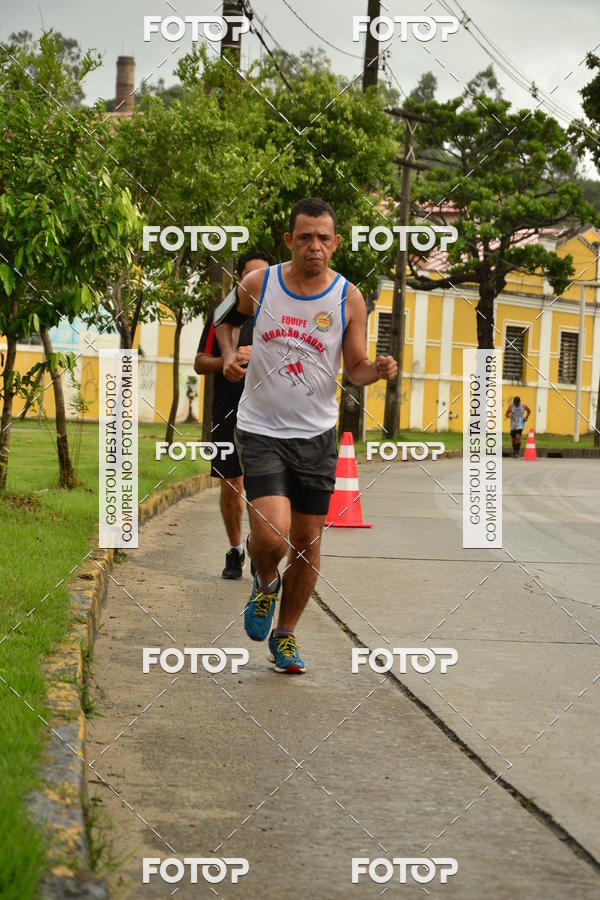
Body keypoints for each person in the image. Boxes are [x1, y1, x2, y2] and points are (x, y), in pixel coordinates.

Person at [216, 197, 398, 674]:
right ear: (289, 241)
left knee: (307, 543)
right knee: (272, 535)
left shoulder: (348, 298)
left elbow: (354, 368)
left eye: (322, 238)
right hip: (260, 429)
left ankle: (286, 636)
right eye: (304, 238)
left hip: (316, 436)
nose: (314, 246)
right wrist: (230, 355)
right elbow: (222, 319)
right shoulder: (260, 283)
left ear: (335, 243)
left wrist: (377, 371)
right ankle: (265, 581)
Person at [194, 250, 271, 578]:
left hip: (266, 416)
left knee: (261, 489)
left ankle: (258, 547)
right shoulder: (222, 315)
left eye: (264, 276)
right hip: (227, 412)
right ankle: (236, 549)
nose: (258, 283)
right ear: (240, 280)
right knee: (231, 485)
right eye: (251, 276)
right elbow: (200, 363)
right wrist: (229, 359)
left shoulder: (279, 318)